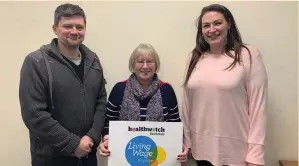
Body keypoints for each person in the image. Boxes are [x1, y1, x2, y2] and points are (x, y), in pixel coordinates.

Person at [19, 3, 107, 166]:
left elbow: (101, 101)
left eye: (79, 27)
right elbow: (34, 114)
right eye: (68, 26)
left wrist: (92, 136)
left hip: (88, 157)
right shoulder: (36, 63)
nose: (74, 31)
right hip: (52, 160)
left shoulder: (93, 61)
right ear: (55, 28)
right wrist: (73, 145)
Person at [181, 4, 268, 166]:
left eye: (217, 23)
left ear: (229, 24)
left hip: (236, 153)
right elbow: (187, 104)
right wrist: (187, 141)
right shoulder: (194, 57)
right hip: (201, 150)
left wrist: (255, 154)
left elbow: (258, 107)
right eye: (206, 25)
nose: (211, 29)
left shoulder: (248, 54)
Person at [98, 43, 189, 163]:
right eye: (140, 61)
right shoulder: (119, 89)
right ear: (132, 65)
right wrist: (107, 139)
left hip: (158, 159)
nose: (145, 66)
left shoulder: (166, 90)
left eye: (150, 61)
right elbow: (108, 123)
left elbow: (174, 124)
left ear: (156, 65)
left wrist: (178, 145)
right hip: (125, 159)